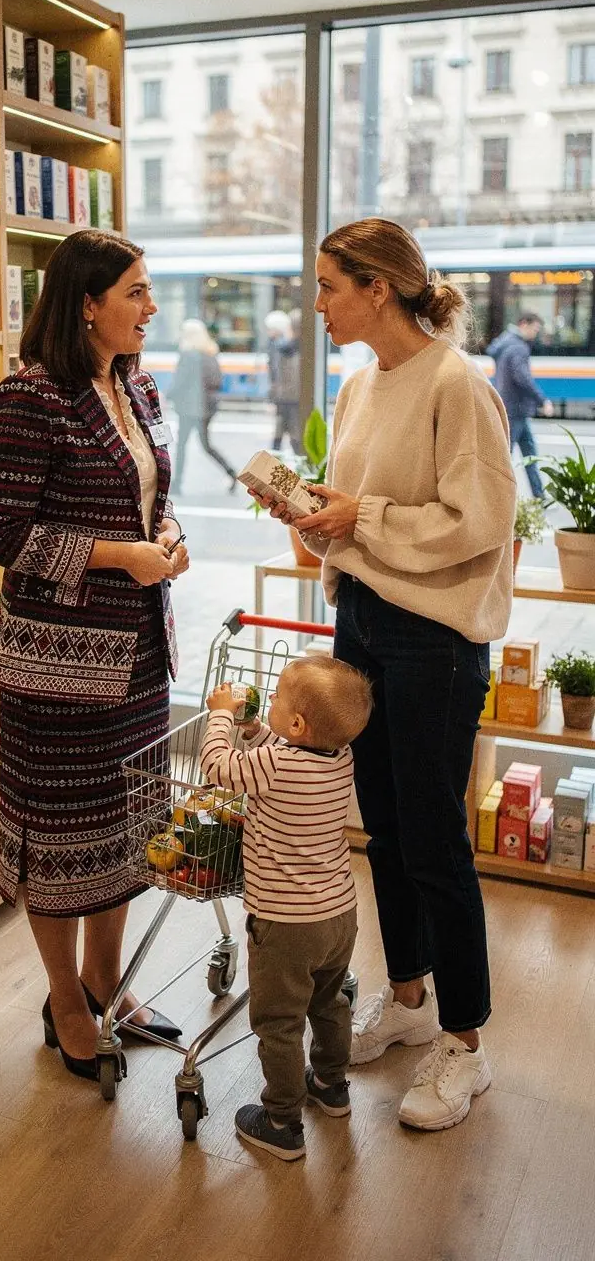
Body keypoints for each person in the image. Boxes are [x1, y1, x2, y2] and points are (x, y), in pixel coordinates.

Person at [253, 217, 516, 1132]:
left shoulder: (458, 383)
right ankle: (407, 998)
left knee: (436, 839)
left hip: (436, 635)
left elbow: (478, 518)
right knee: (386, 829)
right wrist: (310, 514)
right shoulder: (362, 383)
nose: (315, 304)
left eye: (328, 285)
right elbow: (355, 510)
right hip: (364, 617)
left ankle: (467, 1043)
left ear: (377, 288)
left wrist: (359, 519)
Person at [0, 230, 189, 1081]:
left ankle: (109, 978)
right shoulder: (32, 397)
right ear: (88, 303)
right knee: (61, 835)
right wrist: (117, 556)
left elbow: (146, 496)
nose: (151, 306)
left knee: (128, 826)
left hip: (137, 651)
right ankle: (65, 994)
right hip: (56, 667)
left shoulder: (132, 384)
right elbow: (1, 535)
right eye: (136, 291)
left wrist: (163, 534)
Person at [200, 656, 373, 1162]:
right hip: (338, 915)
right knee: (328, 1001)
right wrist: (259, 729)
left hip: (286, 923)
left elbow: (217, 767)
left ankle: (281, 1120)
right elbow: (281, 748)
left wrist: (221, 716)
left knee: (278, 1020)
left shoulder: (275, 765)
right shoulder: (338, 756)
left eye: (276, 698)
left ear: (297, 725)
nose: (268, 701)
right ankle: (331, 1084)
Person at [487, 313, 553, 499]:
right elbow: (522, 378)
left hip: (512, 407)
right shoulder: (518, 348)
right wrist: (542, 400)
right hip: (515, 408)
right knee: (506, 456)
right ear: (524, 324)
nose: (535, 333)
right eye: (534, 329)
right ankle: (495, 496)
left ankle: (539, 495)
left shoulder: (505, 342)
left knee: (529, 454)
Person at [168, 317, 237, 493]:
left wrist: (166, 395)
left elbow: (179, 381)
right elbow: (217, 381)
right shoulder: (210, 353)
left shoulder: (188, 354)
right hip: (207, 408)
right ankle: (230, 471)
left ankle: (176, 484)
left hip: (189, 408)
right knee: (206, 445)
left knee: (182, 445)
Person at [272, 307, 302, 453]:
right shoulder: (307, 349)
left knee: (281, 439)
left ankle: (270, 473)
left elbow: (280, 377)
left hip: (286, 400)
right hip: (294, 400)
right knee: (294, 439)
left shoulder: (284, 349)